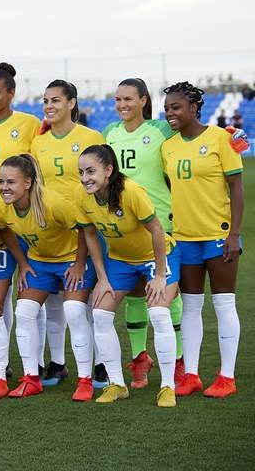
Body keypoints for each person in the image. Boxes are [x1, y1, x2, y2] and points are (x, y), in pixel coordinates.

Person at [77, 145, 181, 407]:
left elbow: (157, 230)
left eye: (91, 171)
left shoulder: (130, 192)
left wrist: (158, 275)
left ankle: (168, 386)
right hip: (120, 261)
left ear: (109, 170)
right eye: (81, 172)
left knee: (158, 312)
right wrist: (102, 276)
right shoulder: (82, 196)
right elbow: (89, 234)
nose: (85, 178)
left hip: (157, 257)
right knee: (100, 314)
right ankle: (116, 384)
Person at [0, 155, 97, 401]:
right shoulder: (0, 206)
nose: (4, 187)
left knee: (73, 311)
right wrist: (23, 262)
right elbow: (4, 229)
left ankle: (85, 380)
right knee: (24, 312)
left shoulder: (54, 204)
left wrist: (80, 264)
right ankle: (31, 379)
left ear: (27, 183)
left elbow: (85, 228)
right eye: (1, 181)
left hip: (71, 259)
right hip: (39, 262)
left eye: (11, 182)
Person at [162, 82, 244, 398]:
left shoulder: (222, 139)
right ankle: (192, 375)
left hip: (219, 236)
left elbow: (236, 188)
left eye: (176, 107)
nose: (170, 113)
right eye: (167, 107)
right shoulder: (167, 147)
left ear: (194, 108)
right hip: (184, 237)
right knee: (191, 307)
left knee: (224, 305)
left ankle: (227, 377)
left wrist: (233, 234)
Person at [102, 78, 184, 389]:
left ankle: (176, 360)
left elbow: (189, 140)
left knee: (165, 296)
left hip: (160, 223)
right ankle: (140, 358)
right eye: (118, 99)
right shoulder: (109, 133)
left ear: (143, 100)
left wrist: (229, 137)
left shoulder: (162, 130)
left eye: (128, 99)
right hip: (123, 229)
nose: (122, 105)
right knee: (135, 295)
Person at [31, 80, 104, 387]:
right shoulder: (38, 143)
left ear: (72, 103)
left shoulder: (91, 138)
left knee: (86, 301)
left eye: (56, 100)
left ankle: (100, 364)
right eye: (45, 100)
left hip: (87, 227)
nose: (49, 105)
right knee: (54, 303)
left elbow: (104, 180)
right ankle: (58, 363)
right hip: (52, 231)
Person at [0, 63, 43, 383]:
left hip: (27, 219)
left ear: (11, 93)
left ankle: (41, 362)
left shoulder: (29, 124)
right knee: (0, 298)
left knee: (33, 294)